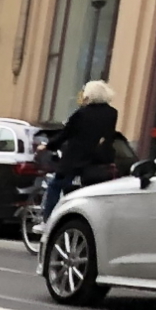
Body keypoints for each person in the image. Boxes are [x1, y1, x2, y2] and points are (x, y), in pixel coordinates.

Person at [39, 79, 125, 220]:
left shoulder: (81, 114)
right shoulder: (112, 113)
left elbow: (66, 134)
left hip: (75, 160)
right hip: (99, 160)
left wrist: (48, 145)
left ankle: (48, 220)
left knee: (55, 186)